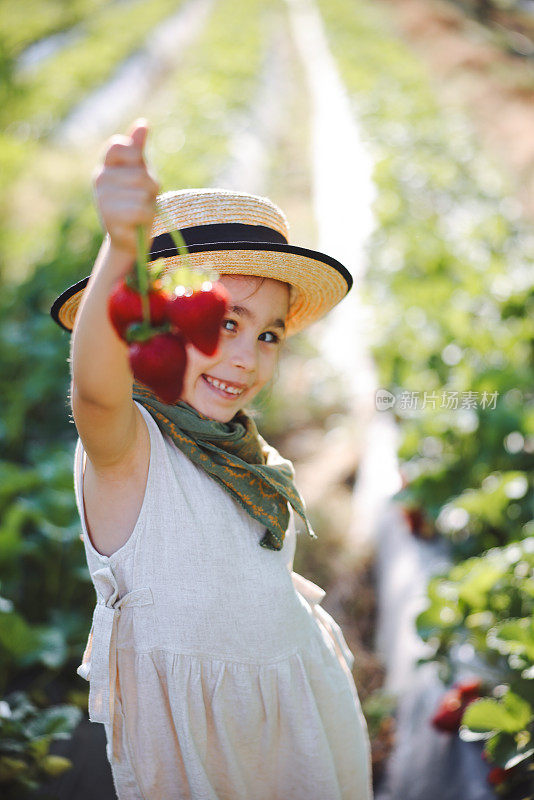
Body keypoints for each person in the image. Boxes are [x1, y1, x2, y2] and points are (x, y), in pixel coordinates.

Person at [50, 119, 374, 800]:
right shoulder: (130, 454)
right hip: (202, 749)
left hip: (296, 710)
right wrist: (120, 251)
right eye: (223, 322)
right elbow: (95, 390)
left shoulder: (245, 453)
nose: (245, 356)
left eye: (268, 335)